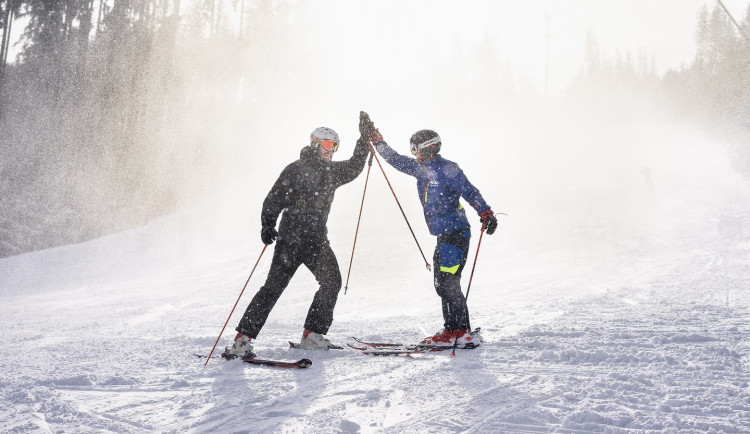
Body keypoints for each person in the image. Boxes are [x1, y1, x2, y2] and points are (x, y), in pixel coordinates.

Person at [228, 118, 371, 356]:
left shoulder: (332, 172)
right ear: (315, 144)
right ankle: (242, 340)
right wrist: (267, 225)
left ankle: (312, 335)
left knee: (332, 282)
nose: (330, 150)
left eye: (334, 146)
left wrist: (363, 140)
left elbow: (356, 166)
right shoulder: (295, 170)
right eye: (327, 144)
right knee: (273, 288)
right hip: (290, 241)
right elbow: (273, 199)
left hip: (316, 242)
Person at [363, 114, 498, 348]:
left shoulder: (448, 169)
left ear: (426, 149)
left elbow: (470, 191)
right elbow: (394, 159)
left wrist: (485, 212)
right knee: (442, 283)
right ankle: (454, 329)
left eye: (415, 148)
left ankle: (459, 331)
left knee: (448, 282)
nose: (413, 153)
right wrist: (377, 140)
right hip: (444, 236)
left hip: (456, 234)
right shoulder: (419, 169)